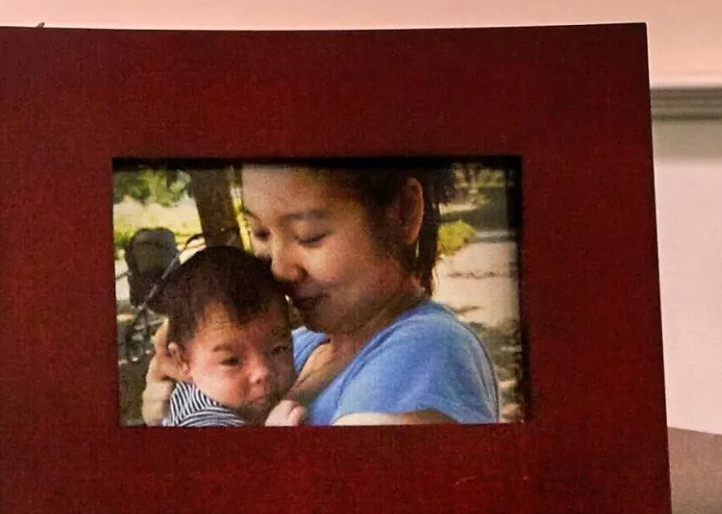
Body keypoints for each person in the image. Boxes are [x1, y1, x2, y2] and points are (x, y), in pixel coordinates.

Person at [240, 160, 500, 426]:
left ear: (404, 212)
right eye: (260, 234)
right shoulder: (296, 344)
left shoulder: (425, 348)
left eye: (309, 235)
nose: (280, 269)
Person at [150, 243, 298, 426]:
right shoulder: (203, 421)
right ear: (183, 360)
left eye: (279, 349)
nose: (263, 372)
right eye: (232, 361)